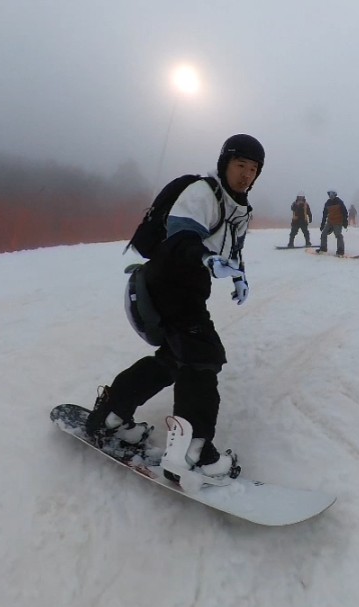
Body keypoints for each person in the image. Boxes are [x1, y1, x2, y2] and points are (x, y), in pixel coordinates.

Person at [85, 133, 265, 485]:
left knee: (173, 358)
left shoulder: (239, 207)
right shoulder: (202, 192)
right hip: (167, 280)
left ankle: (112, 415)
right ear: (224, 162)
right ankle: (191, 453)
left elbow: (231, 246)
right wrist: (206, 258)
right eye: (240, 165)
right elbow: (181, 238)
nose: (246, 174)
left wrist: (238, 276)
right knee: (202, 357)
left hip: (190, 287)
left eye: (254, 169)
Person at [317, 190, 348, 256]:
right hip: (330, 221)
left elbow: (345, 212)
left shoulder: (339, 202)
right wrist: (322, 224)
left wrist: (345, 221)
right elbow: (324, 214)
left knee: (338, 235)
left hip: (338, 221)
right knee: (323, 233)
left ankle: (340, 251)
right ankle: (323, 248)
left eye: (332, 195)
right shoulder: (328, 203)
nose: (331, 196)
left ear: (335, 195)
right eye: (329, 195)